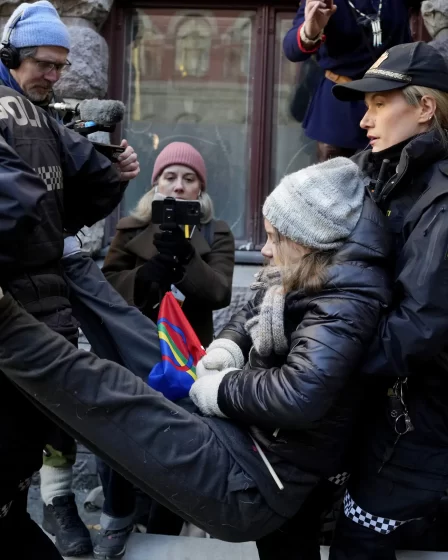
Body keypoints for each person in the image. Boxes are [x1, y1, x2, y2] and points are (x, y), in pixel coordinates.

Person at [0, 157, 391, 553]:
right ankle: (71, 260)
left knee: (111, 390)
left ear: (306, 240)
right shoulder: (308, 273)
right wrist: (227, 347)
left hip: (252, 478)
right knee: (142, 345)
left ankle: (7, 324)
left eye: (273, 238)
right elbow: (253, 307)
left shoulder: (346, 300)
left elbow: (299, 394)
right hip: (246, 439)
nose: (264, 249)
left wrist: (219, 388)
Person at [0, 3, 139, 556]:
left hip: (21, 314)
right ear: (10, 55)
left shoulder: (25, 111)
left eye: (59, 67)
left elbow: (25, 206)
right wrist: (115, 173)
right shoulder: (41, 117)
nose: (53, 77)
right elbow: (80, 197)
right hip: (45, 312)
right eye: (44, 64)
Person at [326, 41, 448, 559]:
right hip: (385, 403)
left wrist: (323, 367)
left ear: (425, 108)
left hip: (424, 411)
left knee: (360, 539)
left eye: (379, 104)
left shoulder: (440, 199)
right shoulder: (378, 171)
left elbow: (418, 326)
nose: (364, 121)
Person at [96, 141, 235, 558]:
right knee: (124, 436)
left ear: (200, 190)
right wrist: (150, 273)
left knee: (182, 445)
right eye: (169, 178)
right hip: (137, 351)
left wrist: (187, 257)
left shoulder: (218, 231)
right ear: (154, 185)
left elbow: (220, 291)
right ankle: (119, 517)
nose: (178, 187)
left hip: (190, 360)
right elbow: (107, 288)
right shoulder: (129, 228)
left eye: (188, 179)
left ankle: (165, 530)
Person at [283, 0, 421, 162]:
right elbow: (292, 48)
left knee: (392, 175)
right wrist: (309, 31)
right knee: (333, 179)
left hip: (391, 99)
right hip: (340, 102)